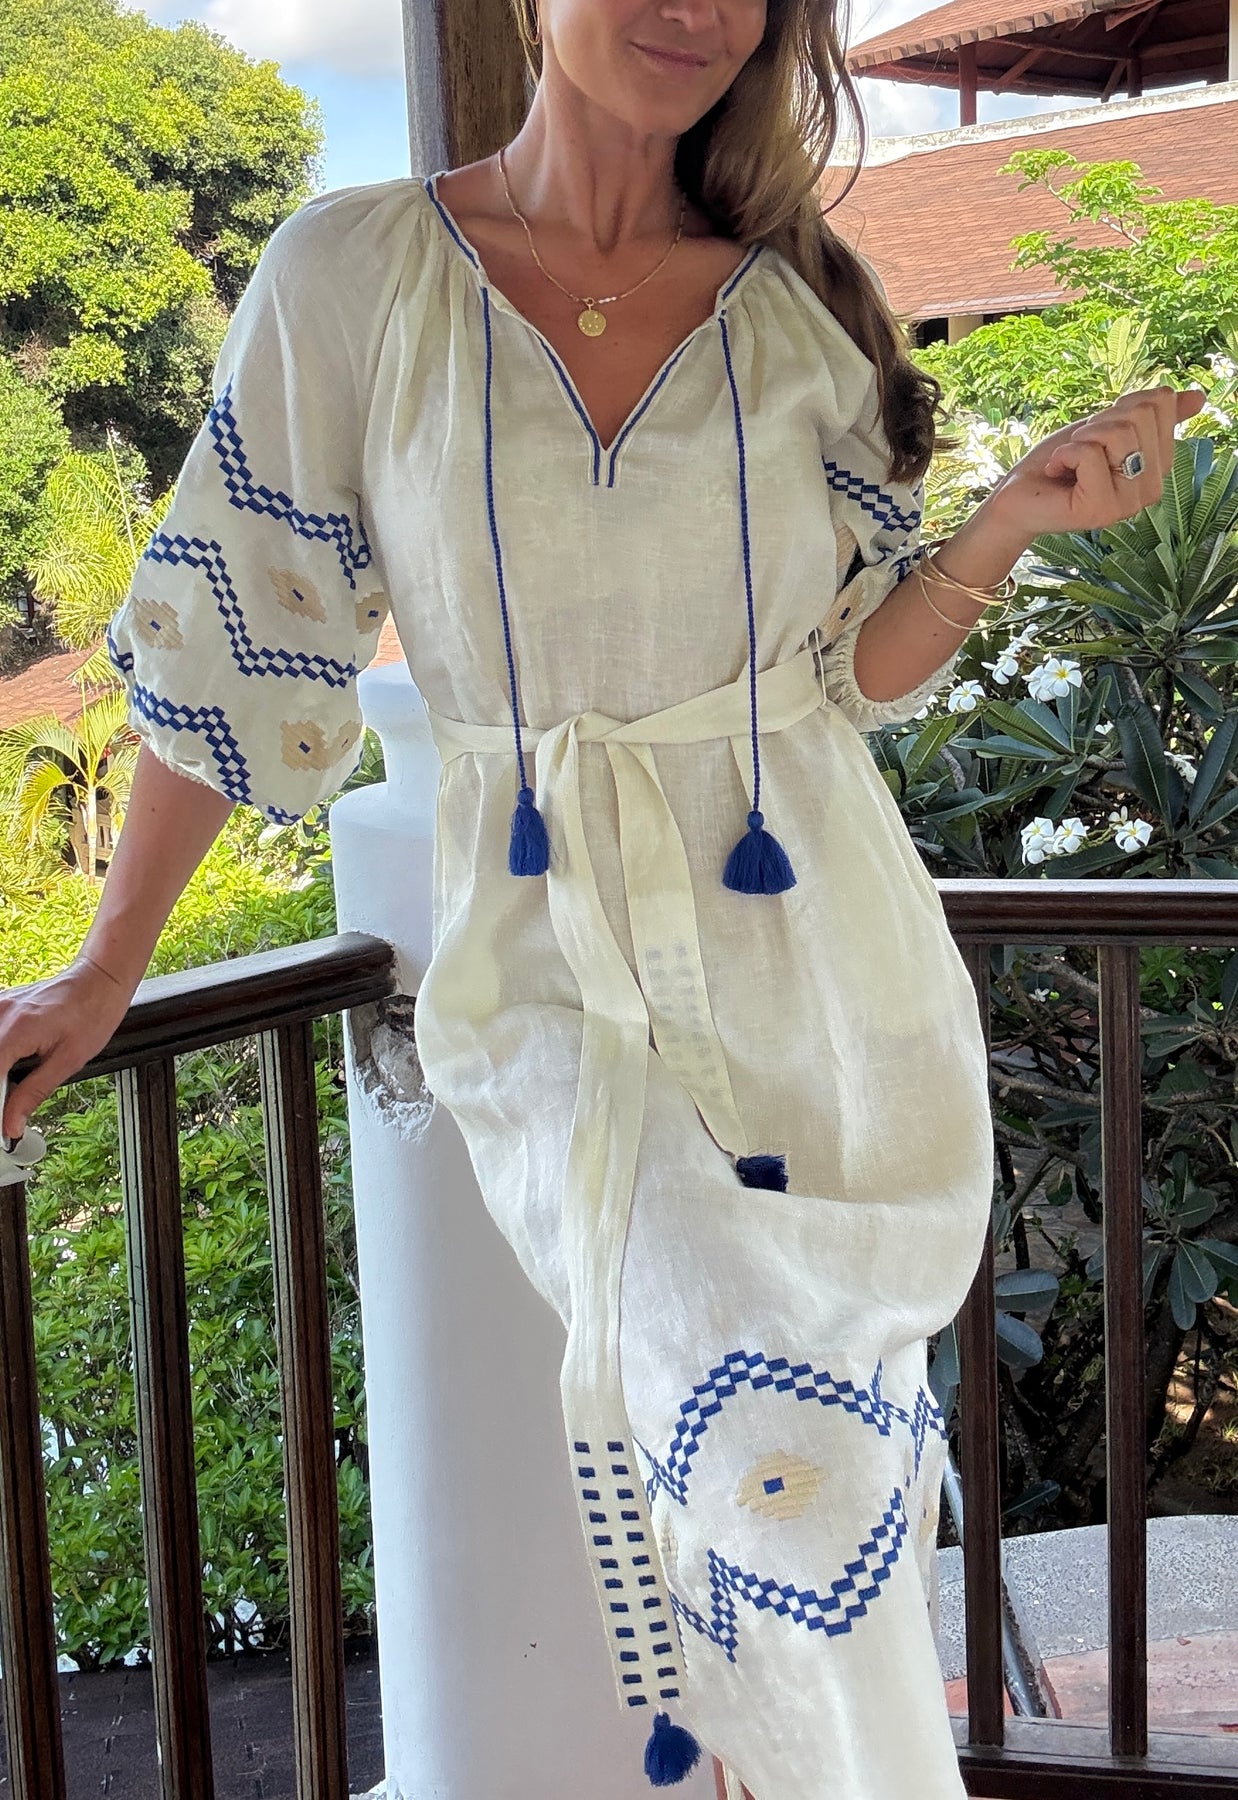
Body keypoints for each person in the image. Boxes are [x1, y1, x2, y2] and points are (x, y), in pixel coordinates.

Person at [0, 0, 1205, 1792]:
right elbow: (234, 639)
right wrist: (109, 965)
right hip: (544, 962)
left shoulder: (802, 303)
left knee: (810, 1466)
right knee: (761, 1457)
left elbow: (852, 674)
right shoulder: (355, 277)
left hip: (821, 950)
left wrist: (1012, 519)